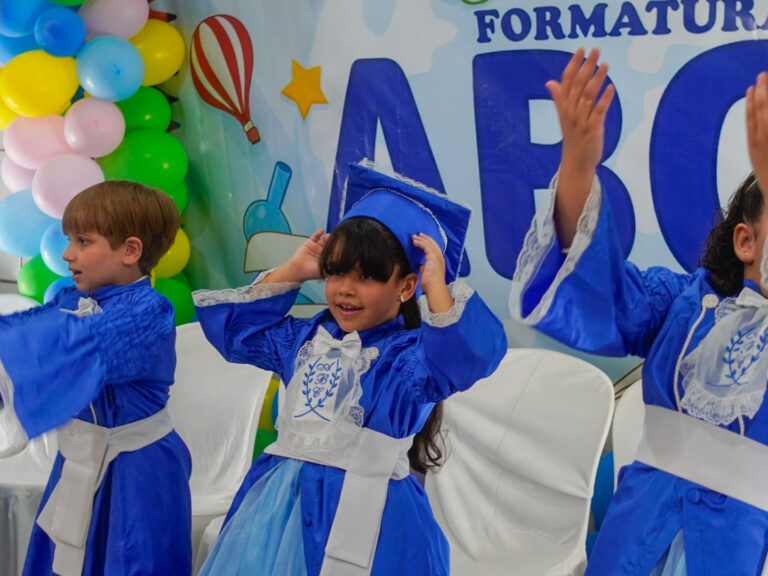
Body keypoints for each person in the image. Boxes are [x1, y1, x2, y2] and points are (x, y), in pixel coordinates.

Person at [510, 48, 768, 575]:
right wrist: (578, 167)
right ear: (745, 240)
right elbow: (601, 293)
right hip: (637, 529)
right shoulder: (683, 303)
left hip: (741, 545)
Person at [193, 161, 507, 576]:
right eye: (335, 272)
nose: (345, 288)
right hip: (279, 511)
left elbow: (468, 358)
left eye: (367, 277)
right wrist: (294, 271)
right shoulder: (303, 340)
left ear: (406, 286)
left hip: (375, 523)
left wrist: (437, 287)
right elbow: (234, 331)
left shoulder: (408, 359)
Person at [0, 181, 192, 576]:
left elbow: (72, 346)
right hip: (76, 460)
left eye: (83, 241)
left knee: (130, 560)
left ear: (130, 250)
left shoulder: (149, 310)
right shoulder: (70, 299)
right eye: (69, 239)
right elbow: (28, 332)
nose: (67, 254)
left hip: (137, 469)